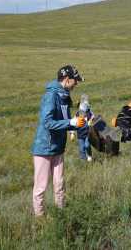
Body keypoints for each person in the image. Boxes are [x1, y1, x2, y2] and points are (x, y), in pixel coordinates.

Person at [31, 65, 85, 217]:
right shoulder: (51, 96)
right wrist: (71, 123)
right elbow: (47, 123)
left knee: (60, 185)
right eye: (76, 81)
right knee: (41, 187)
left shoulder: (65, 97)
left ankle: (60, 216)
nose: (77, 84)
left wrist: (75, 123)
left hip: (58, 148)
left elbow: (65, 121)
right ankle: (39, 220)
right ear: (67, 80)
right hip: (44, 148)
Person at [70, 94, 94, 162]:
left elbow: (94, 117)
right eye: (82, 112)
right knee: (81, 148)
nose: (83, 114)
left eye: (84, 112)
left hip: (88, 134)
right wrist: (72, 133)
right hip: (80, 135)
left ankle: (89, 156)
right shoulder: (77, 115)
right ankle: (83, 160)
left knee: (87, 145)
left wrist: (90, 121)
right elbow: (72, 123)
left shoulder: (89, 113)